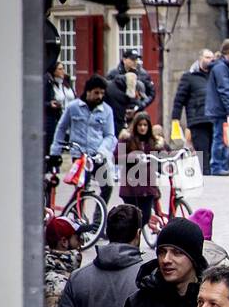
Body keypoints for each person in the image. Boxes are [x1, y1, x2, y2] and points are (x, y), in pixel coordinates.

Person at [50, 73, 117, 203]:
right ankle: (77, 218)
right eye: (96, 93)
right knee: (81, 189)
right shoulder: (73, 107)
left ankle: (98, 219)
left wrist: (102, 151)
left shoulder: (107, 110)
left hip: (97, 155)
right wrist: (55, 151)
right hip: (79, 156)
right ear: (88, 91)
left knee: (107, 186)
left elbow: (110, 135)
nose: (100, 96)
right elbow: (61, 129)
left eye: (102, 93)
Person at [117, 110, 168, 226]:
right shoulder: (126, 139)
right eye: (140, 125)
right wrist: (131, 156)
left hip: (147, 186)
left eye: (145, 125)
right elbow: (116, 158)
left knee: (144, 217)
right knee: (132, 218)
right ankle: (131, 240)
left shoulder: (153, 141)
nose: (142, 128)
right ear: (135, 126)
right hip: (131, 187)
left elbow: (165, 152)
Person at [44, 218, 83, 307]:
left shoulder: (46, 267)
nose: (81, 244)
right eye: (78, 238)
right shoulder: (59, 284)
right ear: (64, 242)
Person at [170, 48, 215, 172]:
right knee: (202, 151)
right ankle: (205, 177)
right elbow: (179, 99)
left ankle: (211, 175)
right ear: (200, 59)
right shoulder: (189, 77)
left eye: (212, 58)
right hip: (197, 120)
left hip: (214, 118)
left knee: (213, 150)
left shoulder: (215, 76)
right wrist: (175, 119)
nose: (210, 60)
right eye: (207, 57)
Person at [204, 38, 229, 176]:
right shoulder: (221, 68)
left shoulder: (223, 67)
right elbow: (224, 89)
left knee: (224, 136)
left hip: (221, 108)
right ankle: (217, 166)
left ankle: (222, 165)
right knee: (219, 137)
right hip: (221, 109)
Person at [104, 49, 156, 135]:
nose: (135, 62)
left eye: (136, 59)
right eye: (132, 59)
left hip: (137, 113)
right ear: (124, 60)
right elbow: (107, 94)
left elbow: (152, 93)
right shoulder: (113, 74)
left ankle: (137, 149)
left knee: (138, 137)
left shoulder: (143, 74)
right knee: (121, 139)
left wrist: (140, 106)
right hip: (117, 114)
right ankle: (121, 149)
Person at [44, 61, 75, 155]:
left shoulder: (67, 82)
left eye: (63, 69)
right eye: (60, 69)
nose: (63, 71)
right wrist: (49, 104)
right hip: (57, 117)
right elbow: (41, 101)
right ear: (54, 71)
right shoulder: (49, 83)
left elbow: (74, 97)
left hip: (71, 117)